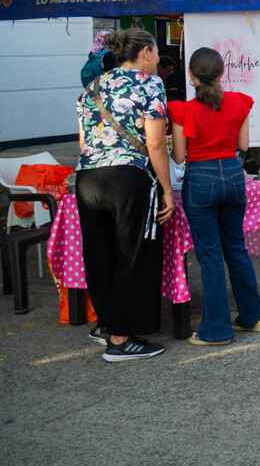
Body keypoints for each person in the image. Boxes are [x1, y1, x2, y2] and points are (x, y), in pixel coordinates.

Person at [75, 29, 174, 362]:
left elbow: (83, 142)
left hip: (88, 177)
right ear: (145, 51)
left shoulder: (92, 88)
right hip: (127, 177)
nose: (159, 60)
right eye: (157, 52)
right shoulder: (150, 84)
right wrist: (167, 189)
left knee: (99, 253)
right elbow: (156, 143)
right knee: (130, 253)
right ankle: (120, 338)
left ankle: (106, 324)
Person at [168, 47, 260, 345]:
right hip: (233, 174)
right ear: (222, 72)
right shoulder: (240, 103)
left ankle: (216, 329)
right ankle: (254, 315)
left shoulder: (182, 110)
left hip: (200, 179)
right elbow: (245, 145)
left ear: (191, 75)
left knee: (210, 256)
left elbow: (179, 156)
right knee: (236, 247)